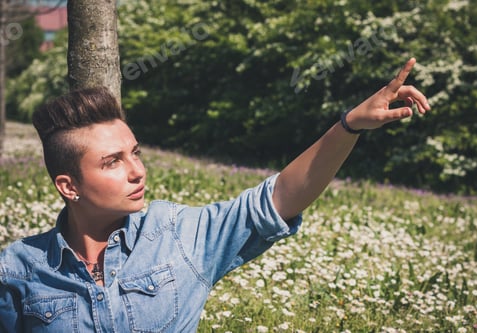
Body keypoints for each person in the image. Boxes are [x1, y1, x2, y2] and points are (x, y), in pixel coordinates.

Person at [0, 58, 430, 332]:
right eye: (112, 162)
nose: (137, 171)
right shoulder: (17, 269)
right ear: (68, 186)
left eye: (135, 153)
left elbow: (279, 198)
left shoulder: (180, 234)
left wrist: (349, 125)